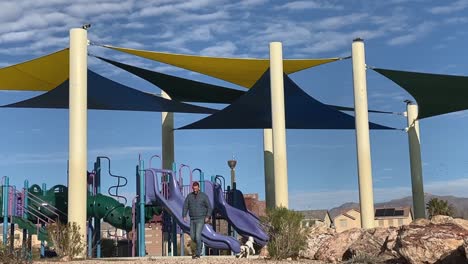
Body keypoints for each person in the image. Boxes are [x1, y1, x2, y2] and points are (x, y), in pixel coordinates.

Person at [182, 181, 212, 259]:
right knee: (192, 236)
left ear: (198, 188)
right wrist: (184, 215)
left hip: (201, 218)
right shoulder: (189, 196)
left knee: (198, 235)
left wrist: (207, 216)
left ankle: (198, 254)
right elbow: (185, 206)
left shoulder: (203, 196)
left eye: (196, 188)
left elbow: (209, 207)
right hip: (192, 219)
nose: (195, 190)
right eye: (194, 188)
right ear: (192, 188)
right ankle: (200, 243)